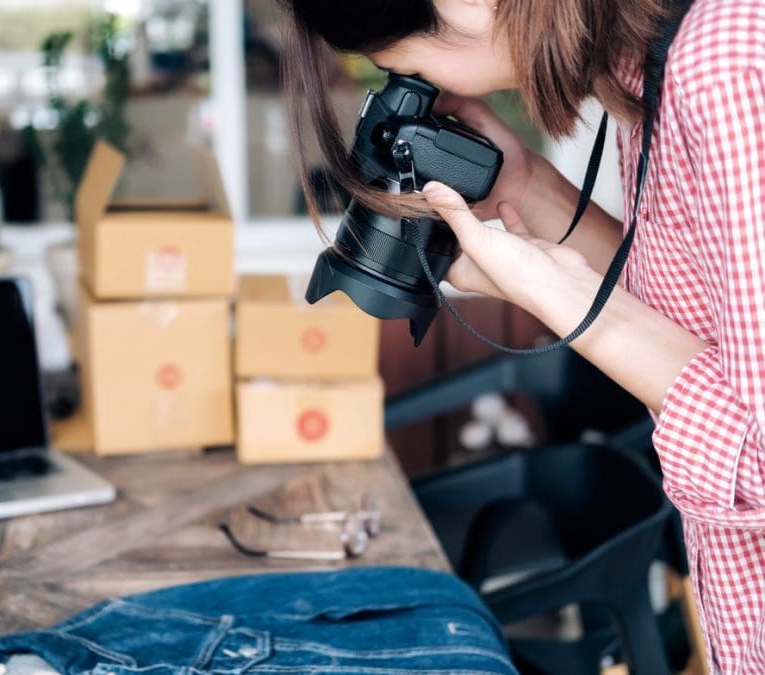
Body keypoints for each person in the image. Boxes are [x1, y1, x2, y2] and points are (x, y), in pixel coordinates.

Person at [278, 0, 765, 671]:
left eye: (410, 67)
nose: (430, 94)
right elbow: (700, 324)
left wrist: (554, 296)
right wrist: (526, 186)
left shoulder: (727, 63)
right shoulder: (652, 67)